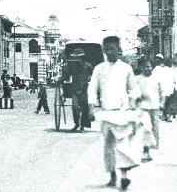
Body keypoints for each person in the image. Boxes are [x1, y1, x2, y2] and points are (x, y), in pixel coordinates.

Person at [88, 36, 141, 190]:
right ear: (104, 50)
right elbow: (92, 89)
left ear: (119, 49)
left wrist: (132, 101)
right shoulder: (99, 69)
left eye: (114, 48)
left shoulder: (126, 68)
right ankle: (112, 174)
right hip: (106, 113)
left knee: (123, 146)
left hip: (123, 112)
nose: (111, 52)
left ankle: (124, 177)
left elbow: (134, 89)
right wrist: (91, 108)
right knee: (109, 146)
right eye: (108, 48)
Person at [135, 56, 164, 161]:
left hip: (155, 107)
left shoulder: (157, 78)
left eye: (149, 66)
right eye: (145, 67)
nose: (148, 68)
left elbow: (163, 92)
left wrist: (162, 103)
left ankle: (154, 148)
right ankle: (145, 149)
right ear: (141, 68)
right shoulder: (137, 79)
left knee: (155, 128)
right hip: (143, 108)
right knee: (146, 129)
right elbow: (134, 93)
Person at [61, 48, 94, 132]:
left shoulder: (88, 66)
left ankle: (82, 126)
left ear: (82, 57)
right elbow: (66, 76)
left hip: (85, 90)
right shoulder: (72, 66)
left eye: (78, 57)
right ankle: (76, 123)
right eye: (76, 57)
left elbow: (94, 76)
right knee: (75, 107)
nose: (77, 59)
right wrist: (59, 80)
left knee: (84, 108)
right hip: (75, 90)